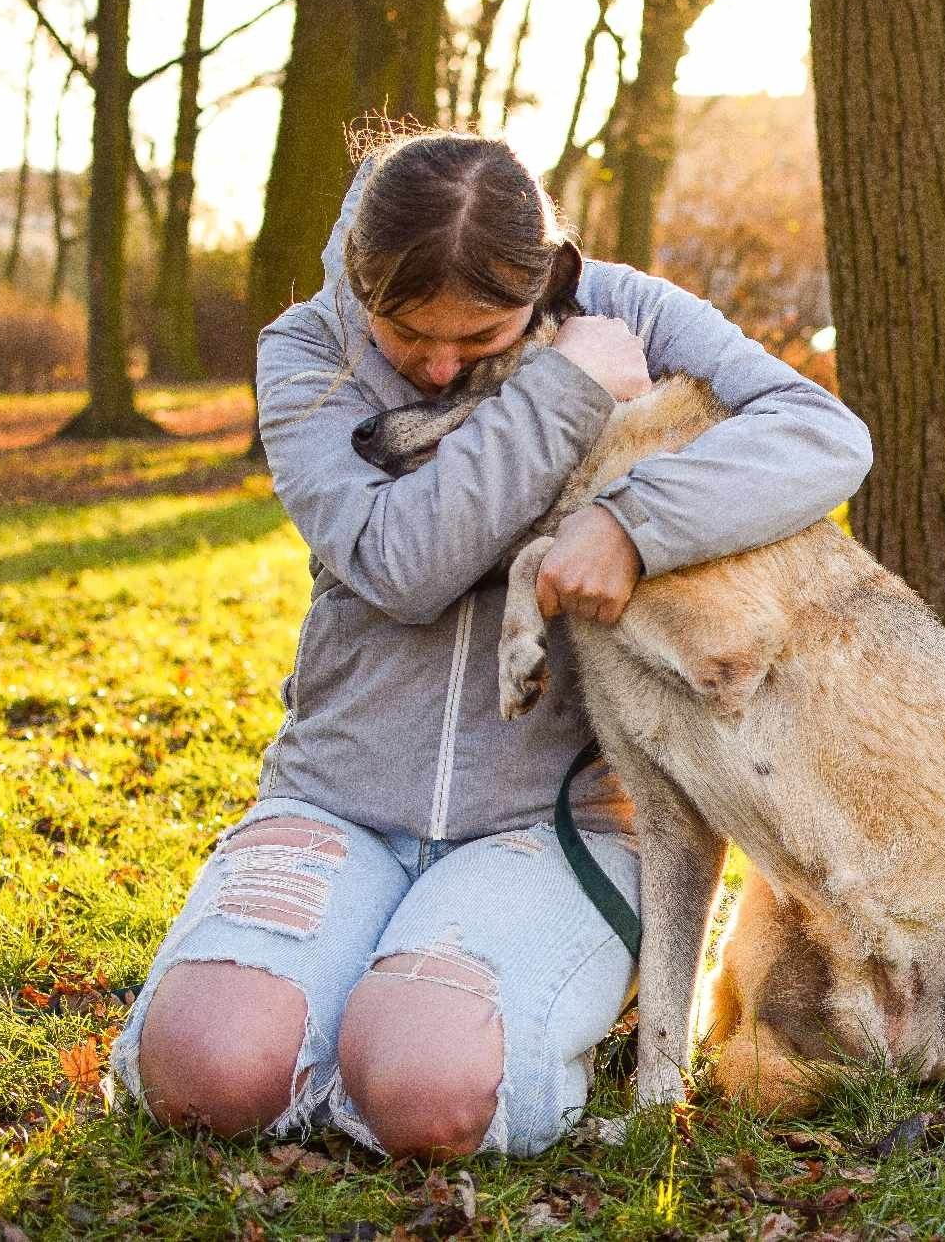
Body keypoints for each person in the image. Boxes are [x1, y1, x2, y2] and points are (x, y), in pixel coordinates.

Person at [106, 128, 872, 1160]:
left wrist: (631, 522)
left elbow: (824, 436)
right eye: (406, 333)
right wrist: (560, 391)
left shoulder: (626, 309)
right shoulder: (308, 351)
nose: (434, 366)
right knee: (207, 1071)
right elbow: (400, 563)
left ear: (549, 279)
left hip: (554, 821)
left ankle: (432, 1016)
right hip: (336, 795)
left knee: (427, 1091)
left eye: (480, 338)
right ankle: (353, 1009)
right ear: (359, 285)